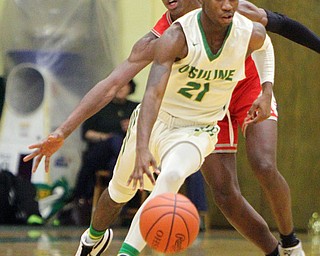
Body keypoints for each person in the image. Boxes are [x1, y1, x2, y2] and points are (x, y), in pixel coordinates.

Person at [22, 0, 318, 255]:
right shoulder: (167, 36)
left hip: (231, 99)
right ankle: (94, 239)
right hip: (184, 113)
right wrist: (63, 131)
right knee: (217, 193)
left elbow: (275, 30)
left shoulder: (230, 10)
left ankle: (290, 242)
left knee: (257, 163)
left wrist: (267, 88)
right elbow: (113, 86)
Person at [73, 80, 138, 202]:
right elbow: (86, 132)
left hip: (120, 153)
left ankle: (117, 208)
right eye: (119, 85)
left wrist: (134, 125)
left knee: (115, 164)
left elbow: (148, 131)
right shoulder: (101, 106)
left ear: (130, 88)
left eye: (126, 85)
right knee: (115, 140)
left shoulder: (136, 108)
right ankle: (126, 164)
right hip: (100, 151)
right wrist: (105, 137)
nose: (122, 88)